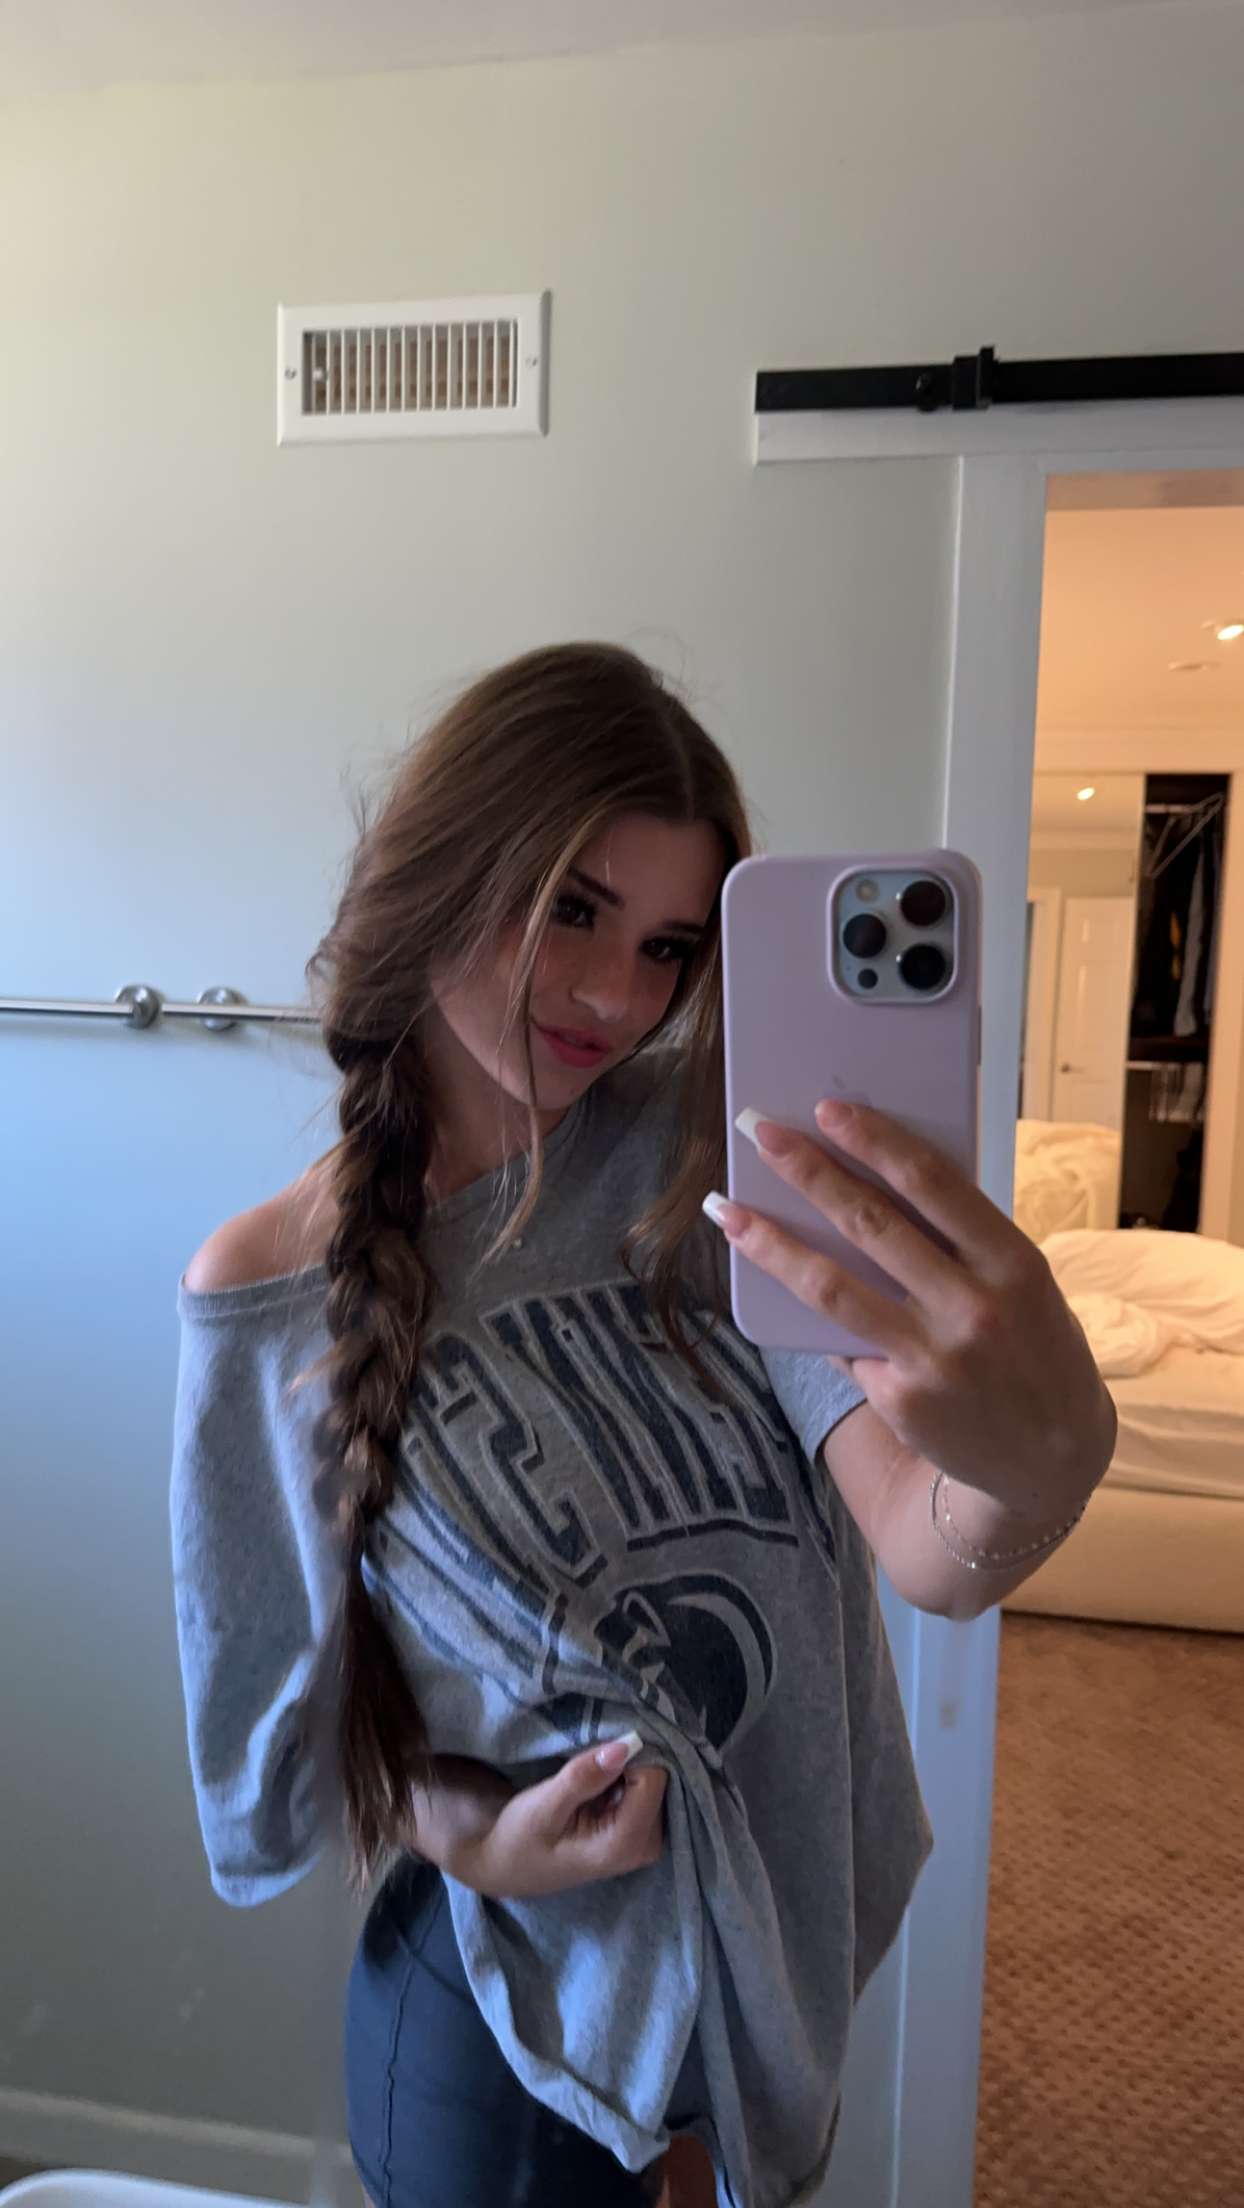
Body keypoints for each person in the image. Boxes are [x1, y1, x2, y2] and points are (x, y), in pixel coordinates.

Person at [170, 643, 1116, 2208]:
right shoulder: (268, 1291)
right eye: (574, 912)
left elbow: (924, 1545)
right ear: (447, 871)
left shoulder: (709, 1171)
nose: (621, 996)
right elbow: (275, 1753)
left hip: (749, 1983)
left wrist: (1049, 1456)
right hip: (502, 2024)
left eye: (671, 945)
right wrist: (469, 1837)